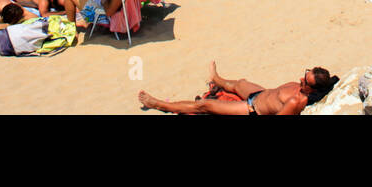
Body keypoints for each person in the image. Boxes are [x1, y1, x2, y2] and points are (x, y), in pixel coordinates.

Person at [139, 63, 338, 116]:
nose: (300, 79)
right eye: (305, 73)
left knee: (204, 105)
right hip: (260, 94)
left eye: (304, 80)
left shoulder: (297, 101)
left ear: (311, 90)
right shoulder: (302, 88)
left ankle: (159, 103)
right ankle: (216, 79)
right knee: (238, 83)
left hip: (251, 109)